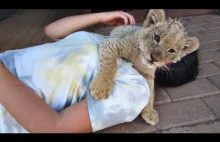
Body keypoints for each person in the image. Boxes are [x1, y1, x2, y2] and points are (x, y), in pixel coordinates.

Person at [0, 11, 150, 133]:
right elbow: (52, 30)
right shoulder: (106, 41)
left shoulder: (134, 88)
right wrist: (100, 17)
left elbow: (54, 127)